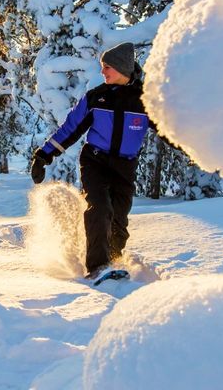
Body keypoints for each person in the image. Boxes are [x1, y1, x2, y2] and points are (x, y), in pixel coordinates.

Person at [31, 42, 150, 280]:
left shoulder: (146, 101)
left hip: (125, 167)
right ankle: (98, 266)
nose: (103, 72)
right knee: (99, 209)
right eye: (102, 67)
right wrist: (44, 155)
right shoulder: (96, 98)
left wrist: (192, 147)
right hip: (95, 162)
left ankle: (114, 262)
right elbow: (71, 128)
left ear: (123, 69)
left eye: (107, 67)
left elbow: (169, 131)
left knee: (118, 218)